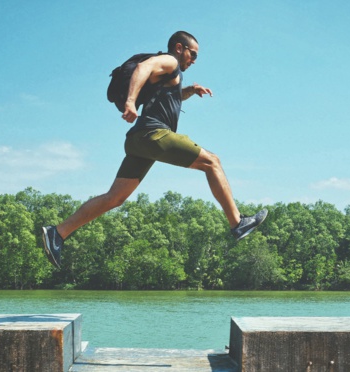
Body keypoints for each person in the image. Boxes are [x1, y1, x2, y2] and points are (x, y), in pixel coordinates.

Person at [42, 31, 267, 269]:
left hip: (138, 141)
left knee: (114, 198)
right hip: (153, 135)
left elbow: (168, 97)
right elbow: (143, 68)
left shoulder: (168, 76)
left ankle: (58, 233)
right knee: (212, 161)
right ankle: (237, 222)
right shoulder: (169, 61)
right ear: (179, 48)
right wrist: (130, 102)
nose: (194, 61)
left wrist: (189, 91)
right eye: (193, 55)